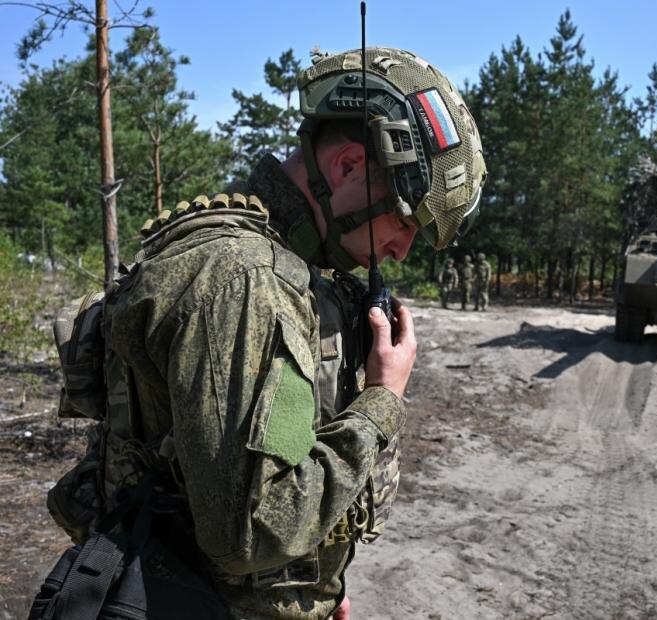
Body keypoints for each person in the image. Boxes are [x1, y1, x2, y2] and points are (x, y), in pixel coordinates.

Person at [45, 47, 486, 620]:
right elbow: (253, 531)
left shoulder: (280, 270)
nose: (402, 250)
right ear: (348, 166)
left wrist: (317, 589)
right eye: (405, 221)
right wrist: (381, 402)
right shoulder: (245, 280)